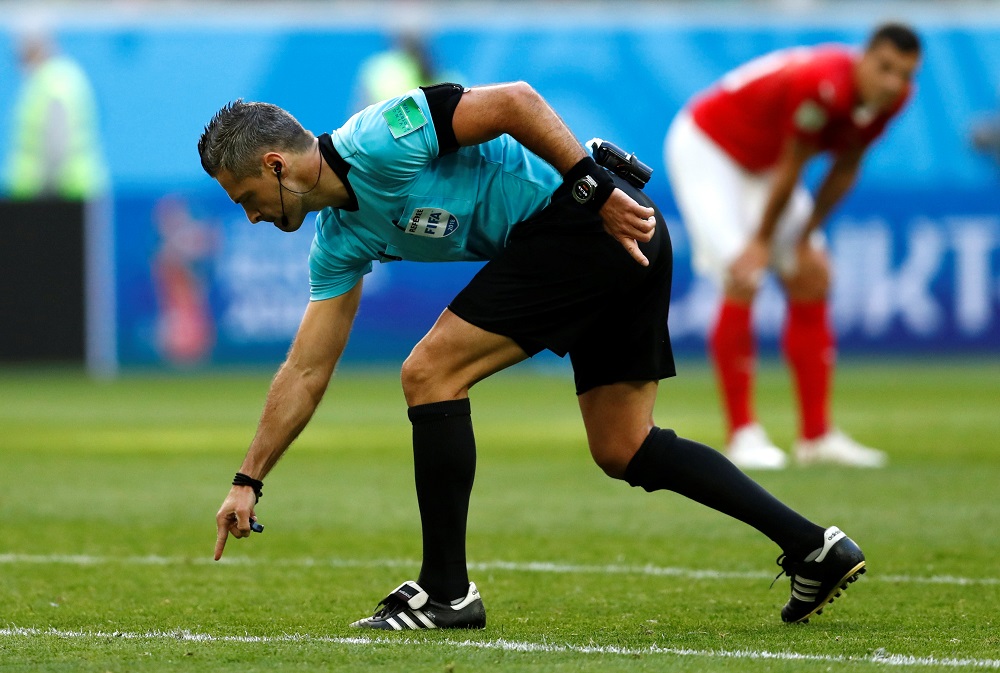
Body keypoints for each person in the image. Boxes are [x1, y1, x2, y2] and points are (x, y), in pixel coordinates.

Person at [202, 81, 867, 630]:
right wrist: (248, 478)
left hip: (591, 220)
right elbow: (307, 368)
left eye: (246, 199)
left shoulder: (379, 137)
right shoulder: (339, 239)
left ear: (274, 165)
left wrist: (592, 189)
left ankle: (445, 591)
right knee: (623, 445)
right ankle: (813, 545)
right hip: (617, 232)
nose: (251, 217)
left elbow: (516, 101)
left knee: (430, 371)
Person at [664, 23, 921, 470]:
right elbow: (793, 166)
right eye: (884, 68)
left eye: (904, 74)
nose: (892, 83)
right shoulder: (822, 83)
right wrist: (762, 243)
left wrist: (803, 238)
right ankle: (743, 433)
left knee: (812, 272)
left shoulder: (893, 99)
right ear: (863, 57)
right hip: (711, 146)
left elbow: (845, 167)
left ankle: (815, 437)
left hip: (764, 162)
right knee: (742, 272)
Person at [3, 29, 109, 200]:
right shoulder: (62, 77)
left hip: (57, 192)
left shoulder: (52, 83)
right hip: (71, 188)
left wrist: (47, 191)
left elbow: (57, 144)